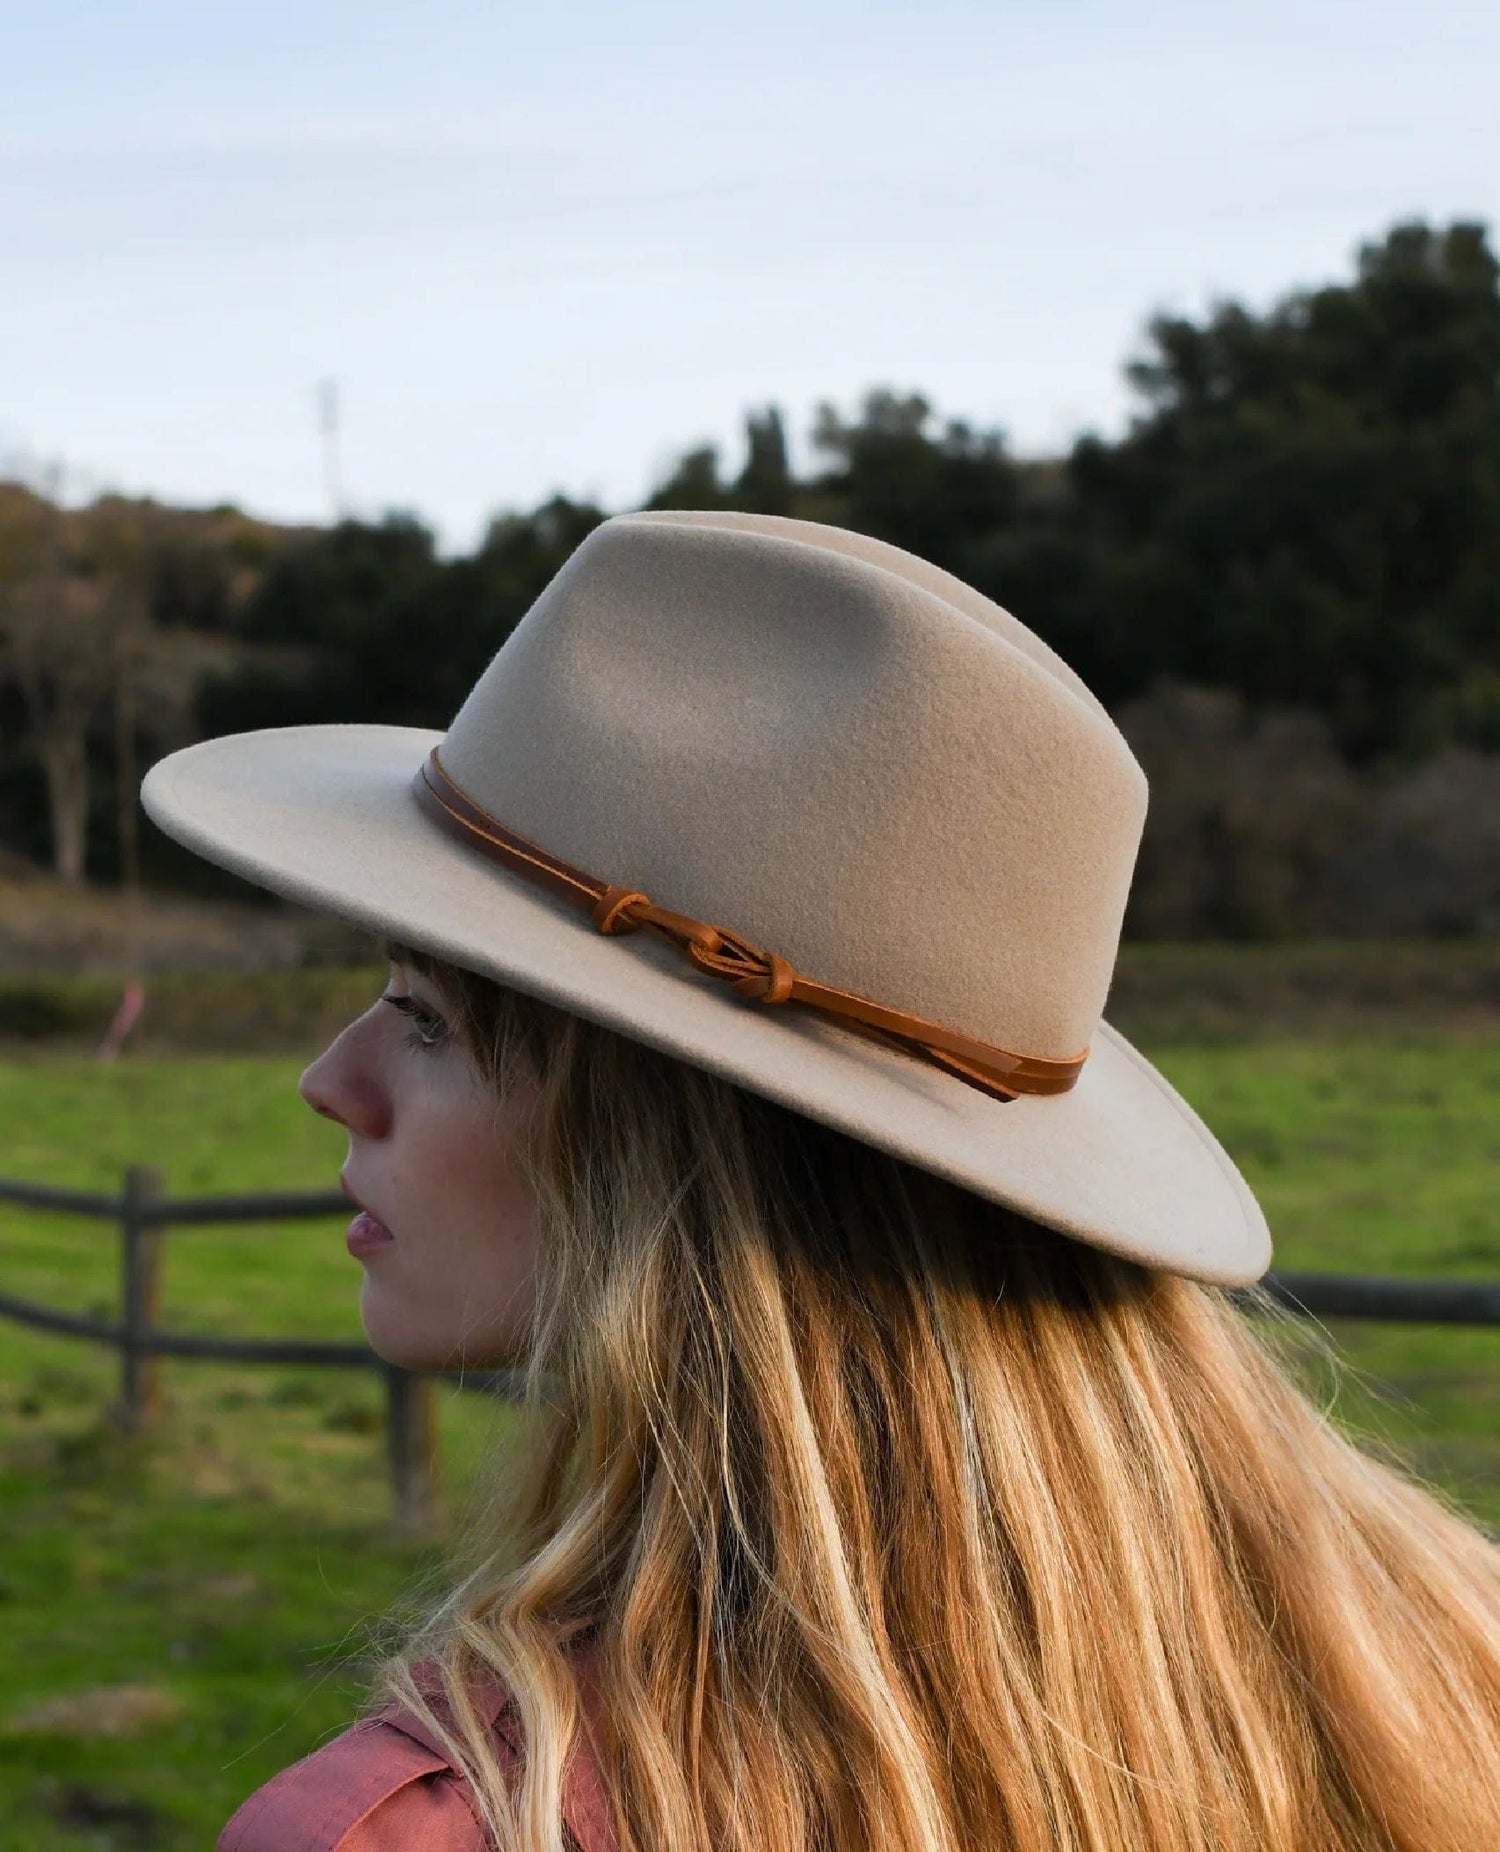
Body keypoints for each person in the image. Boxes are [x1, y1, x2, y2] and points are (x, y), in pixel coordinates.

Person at [141, 512, 1500, 1852]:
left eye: (429, 1017)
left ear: (668, 1139)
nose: (335, 1075)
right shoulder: (1436, 1656)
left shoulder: (445, 1828)